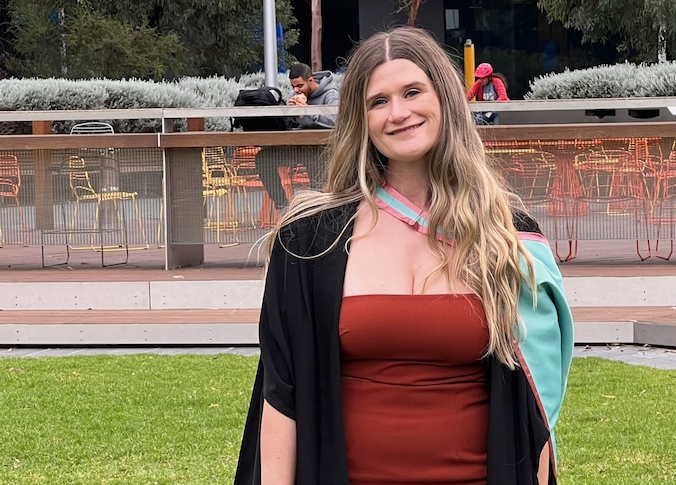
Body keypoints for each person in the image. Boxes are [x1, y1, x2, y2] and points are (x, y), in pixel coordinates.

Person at [234, 26, 574, 485]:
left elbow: (534, 405)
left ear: (445, 99)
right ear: (360, 117)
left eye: (413, 91)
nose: (399, 113)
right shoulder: (310, 241)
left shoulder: (507, 237)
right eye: (378, 101)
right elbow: (282, 397)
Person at [255, 62, 340, 211]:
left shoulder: (330, 94)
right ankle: (283, 207)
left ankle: (318, 210)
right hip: (297, 147)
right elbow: (291, 125)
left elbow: (335, 122)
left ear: (311, 81)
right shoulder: (294, 95)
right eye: (293, 86)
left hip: (321, 149)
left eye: (299, 86)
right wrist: (288, 113)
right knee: (263, 158)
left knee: (317, 167)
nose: (295, 90)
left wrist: (308, 111)